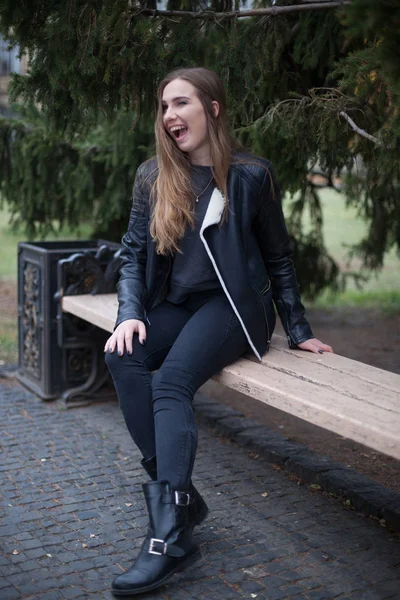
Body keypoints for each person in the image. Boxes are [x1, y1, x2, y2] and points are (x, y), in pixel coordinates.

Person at [105, 66, 333, 596]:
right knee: (124, 355)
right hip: (179, 303)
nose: (169, 117)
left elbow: (278, 255)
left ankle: (168, 537)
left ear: (213, 108)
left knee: (170, 383)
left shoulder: (251, 175)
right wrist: (130, 314)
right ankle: (180, 499)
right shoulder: (153, 176)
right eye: (163, 107)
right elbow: (133, 255)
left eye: (180, 104)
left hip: (235, 307)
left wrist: (296, 327)